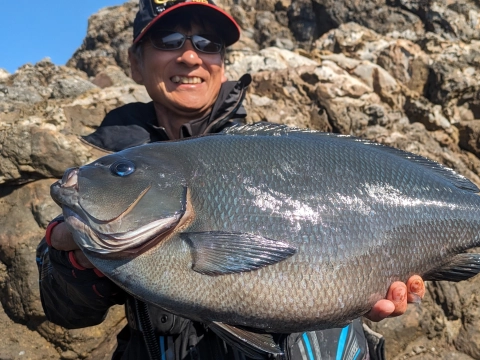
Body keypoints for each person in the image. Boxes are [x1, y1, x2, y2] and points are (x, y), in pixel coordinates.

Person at [36, 1, 426, 359]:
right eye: (168, 39)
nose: (190, 56)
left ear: (222, 62)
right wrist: (71, 260)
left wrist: (381, 272)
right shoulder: (107, 174)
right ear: (135, 62)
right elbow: (66, 314)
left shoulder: (285, 151)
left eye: (209, 43)